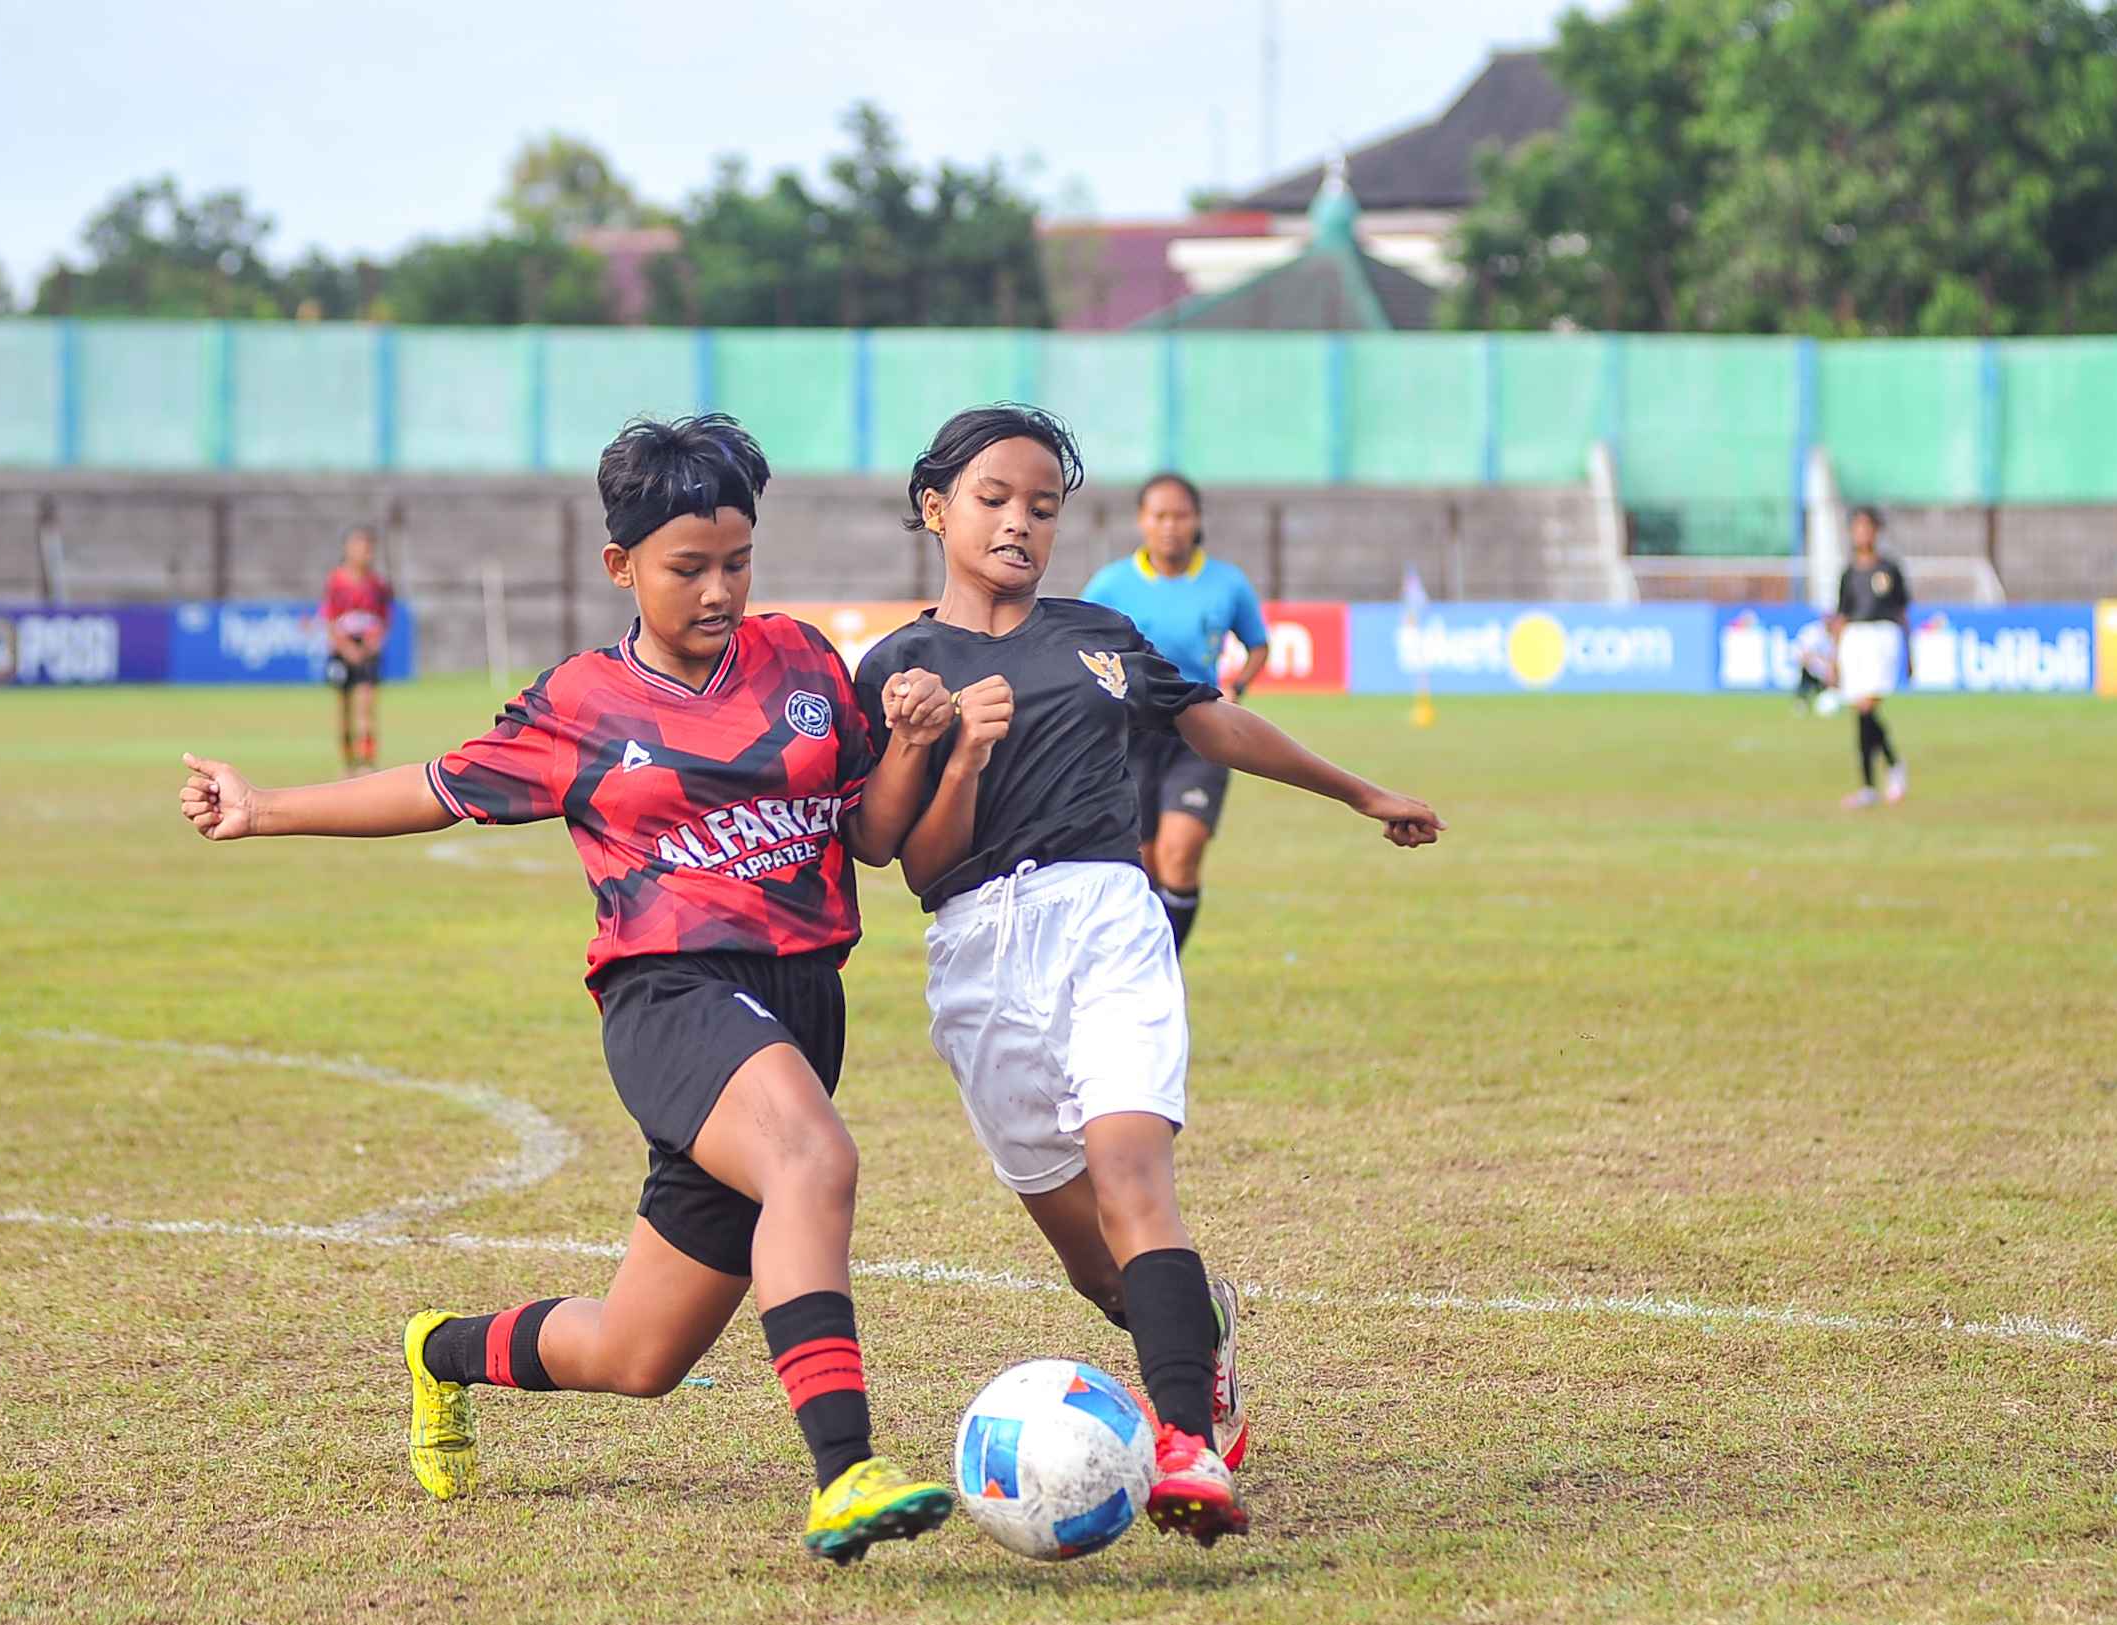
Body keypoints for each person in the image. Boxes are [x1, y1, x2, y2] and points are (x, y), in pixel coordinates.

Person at [178, 415, 965, 1564]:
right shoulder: (583, 702)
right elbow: (436, 786)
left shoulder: (801, 660)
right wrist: (264, 809)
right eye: (686, 567)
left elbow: (874, 838)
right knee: (813, 1160)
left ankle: (441, 1350)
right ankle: (845, 1473)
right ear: (620, 566)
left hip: (801, 1009)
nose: (717, 589)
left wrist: (911, 745)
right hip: (672, 1000)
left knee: (640, 1355)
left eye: (736, 561)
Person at [854, 406, 1442, 1546]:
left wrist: (1360, 791)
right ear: (934, 508)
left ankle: (1185, 1446)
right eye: (993, 499)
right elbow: (907, 859)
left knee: (1134, 1178)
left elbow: (1214, 723)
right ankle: (1197, 1331)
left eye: (1042, 506)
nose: (1020, 523)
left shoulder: (1101, 633)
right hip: (976, 951)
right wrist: (953, 748)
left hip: (1106, 917)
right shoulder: (896, 669)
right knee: (1097, 1264)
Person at [1079, 473, 1270, 950]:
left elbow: (1258, 645)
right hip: (1131, 735)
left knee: (1180, 853)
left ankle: (1166, 963)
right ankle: (1147, 965)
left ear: (1197, 520)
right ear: (1142, 521)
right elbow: (1078, 648)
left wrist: (1237, 685)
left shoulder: (1227, 583)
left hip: (1200, 731)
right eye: (1159, 515)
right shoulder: (1111, 585)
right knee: (1145, 864)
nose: (1170, 526)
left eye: (1180, 515)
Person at [1829, 506, 1910, 808]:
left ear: (1876, 531)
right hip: (1855, 638)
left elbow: (1902, 613)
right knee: (1860, 710)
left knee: (1867, 706)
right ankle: (1879, 776)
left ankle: (1884, 775)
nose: (1862, 533)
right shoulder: (1849, 573)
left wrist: (1910, 652)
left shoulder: (1889, 569)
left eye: (1867, 527)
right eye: (1857, 528)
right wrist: (1834, 658)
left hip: (1882, 637)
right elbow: (1841, 616)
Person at [321, 527, 394, 773]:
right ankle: (348, 761)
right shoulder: (335, 581)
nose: (364, 552)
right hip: (343, 651)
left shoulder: (378, 584)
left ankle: (367, 761)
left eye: (367, 548)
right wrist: (345, 647)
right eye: (358, 546)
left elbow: (384, 619)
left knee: (367, 705)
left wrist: (373, 643)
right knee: (344, 709)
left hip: (367, 651)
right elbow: (330, 620)